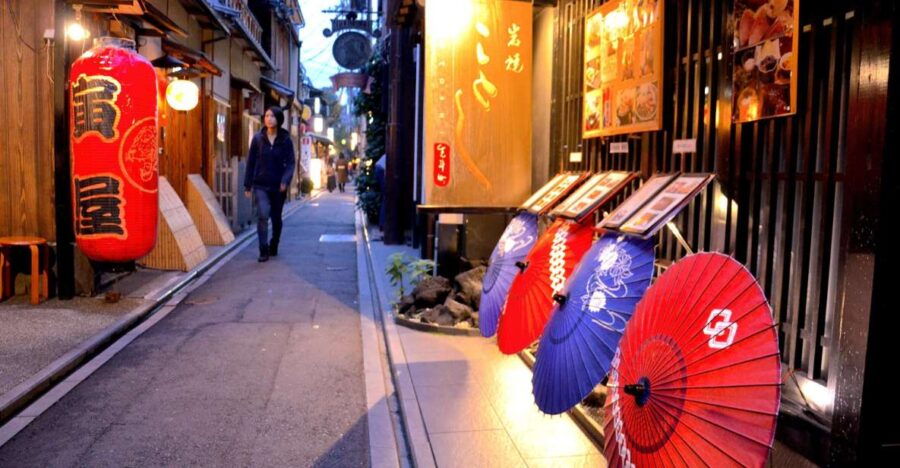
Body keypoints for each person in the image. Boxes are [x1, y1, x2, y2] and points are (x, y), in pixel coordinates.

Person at [244, 106, 295, 262]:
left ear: (278, 119)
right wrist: (247, 185)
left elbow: (291, 163)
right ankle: (263, 249)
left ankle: (274, 243)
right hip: (261, 184)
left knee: (276, 218)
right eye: (266, 116)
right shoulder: (258, 139)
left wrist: (285, 181)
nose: (269, 119)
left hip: (278, 186)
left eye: (272, 116)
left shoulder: (285, 140)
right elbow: (251, 162)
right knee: (263, 214)